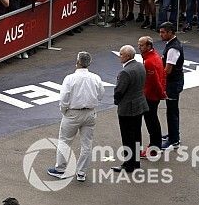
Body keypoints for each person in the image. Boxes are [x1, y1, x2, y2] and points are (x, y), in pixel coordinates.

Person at [47, 51, 104, 183]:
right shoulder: (96, 78)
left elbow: (64, 98)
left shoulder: (70, 78)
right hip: (90, 113)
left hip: (72, 113)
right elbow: (100, 94)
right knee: (87, 144)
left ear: (78, 62)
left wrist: (64, 111)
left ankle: (60, 169)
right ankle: (81, 172)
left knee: (64, 141)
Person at [112, 44, 147, 173]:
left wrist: (117, 101)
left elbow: (119, 91)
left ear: (127, 56)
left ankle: (128, 164)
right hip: (139, 104)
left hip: (127, 108)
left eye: (121, 54)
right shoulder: (140, 65)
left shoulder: (125, 72)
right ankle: (136, 162)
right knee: (137, 135)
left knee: (127, 137)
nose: (119, 56)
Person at [138, 36, 166, 158]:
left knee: (151, 122)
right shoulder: (155, 56)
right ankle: (156, 145)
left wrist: (161, 94)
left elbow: (155, 81)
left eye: (142, 45)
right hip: (152, 94)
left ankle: (154, 148)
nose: (139, 47)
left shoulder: (150, 61)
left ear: (149, 46)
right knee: (153, 120)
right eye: (139, 45)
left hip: (150, 96)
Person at [159, 22, 184, 149]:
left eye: (163, 32)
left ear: (170, 32)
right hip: (174, 82)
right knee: (171, 111)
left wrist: (158, 78)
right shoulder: (171, 44)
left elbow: (167, 70)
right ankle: (172, 134)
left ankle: (174, 139)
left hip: (173, 84)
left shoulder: (173, 49)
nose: (161, 34)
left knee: (172, 111)